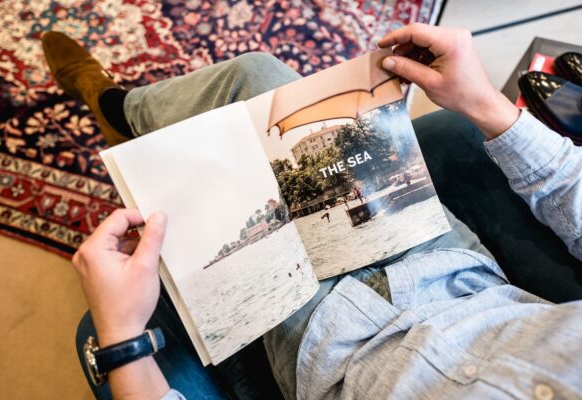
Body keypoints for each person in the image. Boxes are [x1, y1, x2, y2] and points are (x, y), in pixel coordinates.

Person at [45, 22, 582, 400]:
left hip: (327, 349)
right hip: (455, 274)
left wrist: (122, 339)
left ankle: (116, 114)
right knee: (254, 79)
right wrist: (484, 102)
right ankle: (117, 109)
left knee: (215, 189)